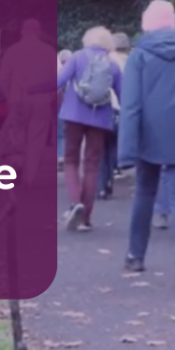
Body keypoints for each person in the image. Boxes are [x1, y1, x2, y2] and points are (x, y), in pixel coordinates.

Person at [119, 0, 175, 287]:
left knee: (145, 192)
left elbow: (131, 105)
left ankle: (135, 255)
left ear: (147, 24)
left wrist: (126, 151)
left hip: (149, 135)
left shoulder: (139, 55)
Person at [54, 26, 124, 231]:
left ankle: (75, 203)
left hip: (73, 115)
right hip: (100, 118)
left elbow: (59, 81)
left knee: (71, 160)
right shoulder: (112, 64)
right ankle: (85, 218)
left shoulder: (77, 57)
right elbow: (124, 95)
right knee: (92, 165)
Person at [0, 19, 57, 185]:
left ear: (22, 31)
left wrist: (10, 95)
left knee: (16, 134)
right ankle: (30, 176)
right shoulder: (49, 51)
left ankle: (17, 164)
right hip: (41, 100)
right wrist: (51, 96)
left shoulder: (13, 51)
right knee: (37, 137)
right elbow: (56, 79)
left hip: (17, 99)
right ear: (38, 32)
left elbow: (2, 78)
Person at [98, 32, 130, 199]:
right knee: (113, 145)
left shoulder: (105, 60)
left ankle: (101, 186)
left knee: (100, 147)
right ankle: (111, 177)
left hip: (102, 107)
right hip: (121, 108)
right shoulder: (131, 61)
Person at [56, 49, 73, 164]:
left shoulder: (60, 73)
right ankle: (63, 155)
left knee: (60, 131)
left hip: (59, 104)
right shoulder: (74, 72)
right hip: (69, 106)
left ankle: (61, 155)